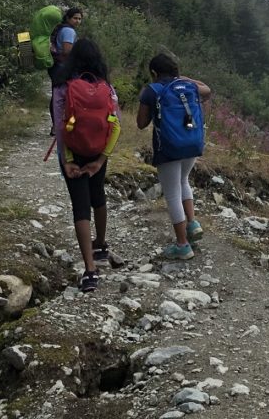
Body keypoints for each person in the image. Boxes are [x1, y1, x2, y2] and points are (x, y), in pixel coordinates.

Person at [53, 37, 120, 292]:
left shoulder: (62, 86)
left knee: (80, 206)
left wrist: (68, 160)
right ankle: (100, 244)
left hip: (74, 151)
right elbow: (116, 125)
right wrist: (101, 159)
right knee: (98, 194)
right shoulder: (106, 87)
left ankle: (90, 271)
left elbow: (60, 127)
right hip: (98, 151)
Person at [136, 53, 211, 260]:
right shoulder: (188, 86)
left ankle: (182, 245)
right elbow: (207, 90)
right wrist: (186, 79)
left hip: (168, 147)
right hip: (192, 142)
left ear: (154, 72)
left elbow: (141, 123)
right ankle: (192, 224)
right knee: (183, 181)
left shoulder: (152, 90)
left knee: (172, 194)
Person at [47, 7, 84, 134]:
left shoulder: (61, 28)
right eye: (75, 18)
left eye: (79, 19)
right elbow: (67, 51)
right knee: (65, 96)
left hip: (56, 65)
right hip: (63, 67)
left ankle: (55, 125)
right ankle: (61, 125)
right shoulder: (69, 31)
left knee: (56, 95)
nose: (77, 21)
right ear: (68, 18)